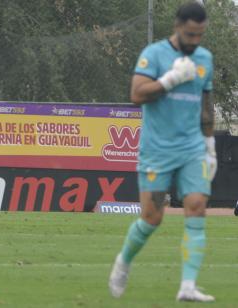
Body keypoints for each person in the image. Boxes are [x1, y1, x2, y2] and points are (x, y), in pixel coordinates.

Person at [109, 2, 216, 302]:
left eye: (201, 35)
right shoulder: (154, 54)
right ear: (178, 27)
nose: (196, 41)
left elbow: (206, 105)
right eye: (191, 34)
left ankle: (188, 286)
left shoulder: (205, 58)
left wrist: (210, 146)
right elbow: (136, 95)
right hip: (157, 150)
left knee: (196, 206)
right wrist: (170, 80)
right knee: (152, 217)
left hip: (193, 147)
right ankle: (123, 262)